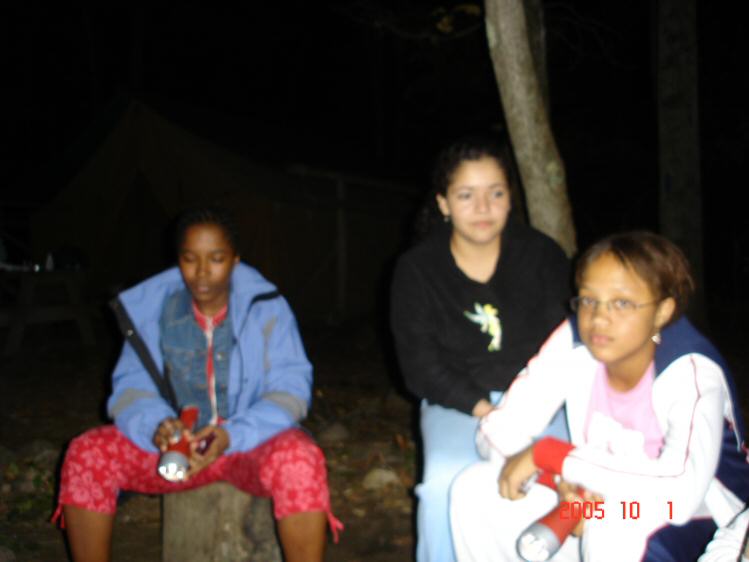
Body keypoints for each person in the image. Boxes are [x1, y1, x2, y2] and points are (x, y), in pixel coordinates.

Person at [54, 207, 340, 562]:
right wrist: (159, 426)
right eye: (190, 259)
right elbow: (130, 387)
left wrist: (232, 434)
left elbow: (291, 388)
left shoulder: (267, 309)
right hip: (175, 452)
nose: (202, 272)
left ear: (235, 260)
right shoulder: (154, 311)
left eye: (216, 259)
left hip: (246, 447)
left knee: (301, 458)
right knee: (87, 453)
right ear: (178, 261)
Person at [450, 231, 749, 561]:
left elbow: (679, 494)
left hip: (701, 518)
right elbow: (497, 429)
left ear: (663, 311)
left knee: (611, 524)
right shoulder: (577, 339)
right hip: (594, 493)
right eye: (589, 300)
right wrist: (561, 481)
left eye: (622, 303)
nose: (599, 317)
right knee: (474, 490)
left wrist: (557, 458)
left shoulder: (690, 370)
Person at [390, 136, 571, 562]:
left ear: (510, 197)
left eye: (496, 193)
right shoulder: (417, 270)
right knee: (443, 485)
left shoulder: (541, 256)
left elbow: (565, 343)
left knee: (570, 486)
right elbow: (419, 365)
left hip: (541, 402)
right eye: (466, 196)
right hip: (458, 404)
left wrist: (523, 412)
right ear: (444, 203)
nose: (483, 208)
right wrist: (486, 412)